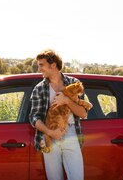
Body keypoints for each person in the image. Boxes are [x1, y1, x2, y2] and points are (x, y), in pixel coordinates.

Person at [29, 50, 89, 180]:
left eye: (41, 65)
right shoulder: (39, 89)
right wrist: (50, 132)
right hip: (49, 136)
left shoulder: (73, 84)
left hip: (71, 134)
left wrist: (66, 101)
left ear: (53, 65)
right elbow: (34, 118)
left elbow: (83, 113)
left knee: (77, 177)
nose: (39, 69)